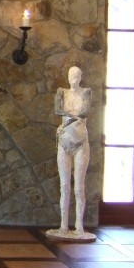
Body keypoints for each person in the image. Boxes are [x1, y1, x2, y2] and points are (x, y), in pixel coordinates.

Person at [46, 66, 95, 241]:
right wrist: (74, 118)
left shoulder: (86, 93)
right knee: (64, 185)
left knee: (79, 186)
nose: (72, 77)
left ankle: (79, 225)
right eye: (70, 74)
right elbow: (58, 110)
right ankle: (63, 225)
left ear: (80, 77)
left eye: (75, 75)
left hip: (80, 140)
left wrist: (70, 118)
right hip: (65, 139)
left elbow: (85, 112)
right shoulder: (62, 93)